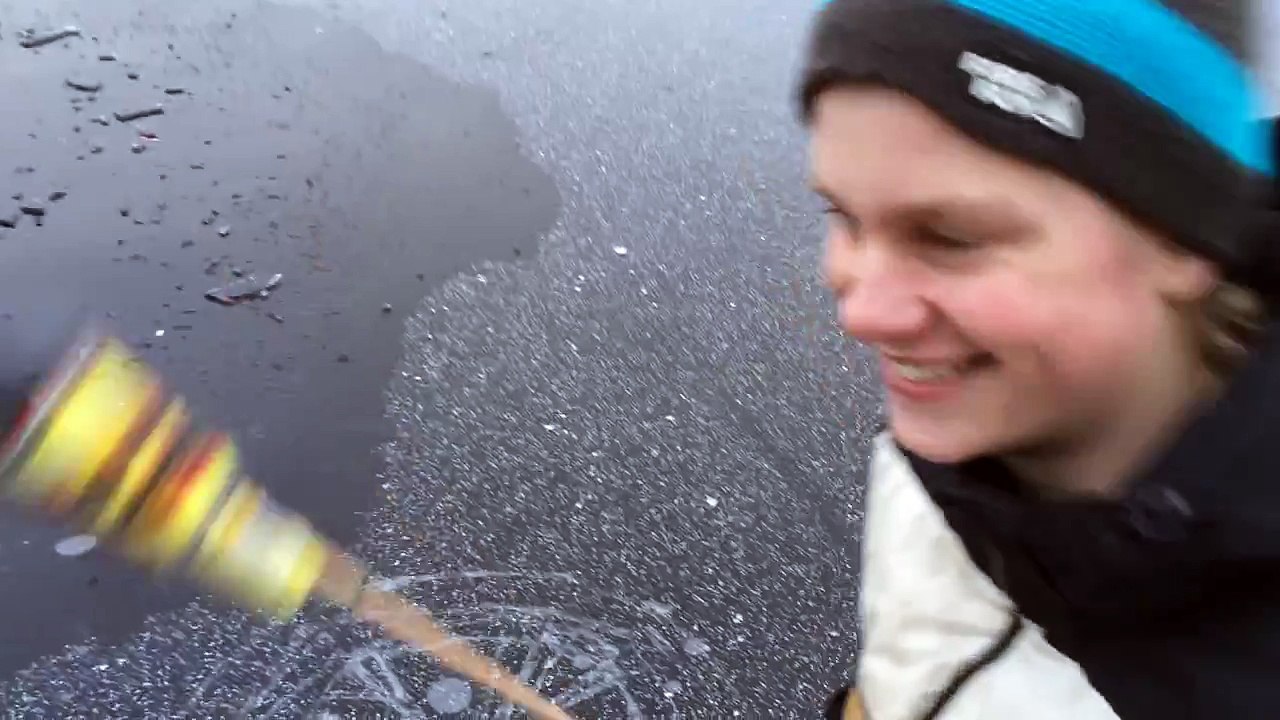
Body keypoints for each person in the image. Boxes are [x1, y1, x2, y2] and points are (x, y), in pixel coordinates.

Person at [798, 1, 1280, 718]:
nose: (863, 314)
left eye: (952, 237)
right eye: (844, 217)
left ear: (1187, 239)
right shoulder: (969, 424)